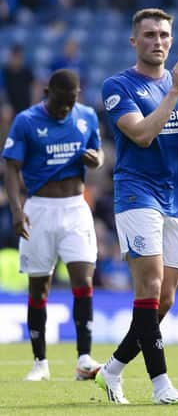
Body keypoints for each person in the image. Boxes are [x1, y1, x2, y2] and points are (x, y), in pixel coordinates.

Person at [95, 8, 178, 405]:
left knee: (164, 300)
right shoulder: (118, 86)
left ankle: (111, 370)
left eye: (164, 34)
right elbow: (143, 135)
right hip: (136, 193)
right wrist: (176, 91)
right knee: (147, 286)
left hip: (176, 198)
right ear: (135, 41)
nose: (158, 41)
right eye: (149, 35)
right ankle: (160, 384)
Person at [2, 69, 103, 381]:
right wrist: (17, 210)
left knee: (83, 280)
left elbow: (98, 152)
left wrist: (95, 160)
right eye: (61, 102)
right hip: (40, 209)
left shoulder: (86, 116)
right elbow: (11, 167)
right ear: (48, 92)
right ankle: (40, 362)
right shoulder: (27, 121)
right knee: (38, 285)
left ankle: (84, 358)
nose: (65, 109)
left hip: (75, 207)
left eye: (71, 102)